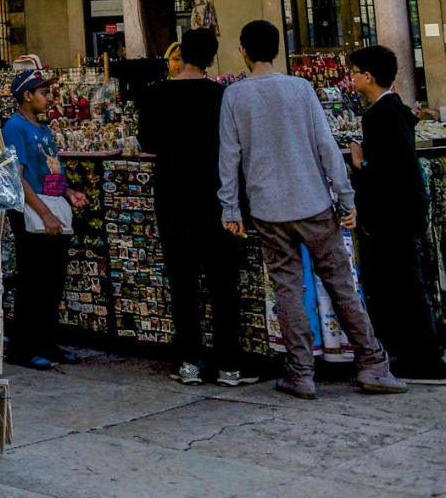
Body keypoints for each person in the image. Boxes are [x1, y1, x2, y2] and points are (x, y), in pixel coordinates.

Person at [218, 20, 405, 398]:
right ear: (277, 49)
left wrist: (230, 208)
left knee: (288, 288)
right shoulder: (300, 88)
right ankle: (372, 363)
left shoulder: (235, 96)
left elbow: (229, 155)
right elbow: (325, 147)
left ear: (243, 51)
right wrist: (347, 198)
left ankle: (301, 373)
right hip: (314, 202)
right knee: (341, 284)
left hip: (268, 209)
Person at [140, 28, 256, 386]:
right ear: (211, 58)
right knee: (224, 284)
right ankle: (229, 365)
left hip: (173, 197)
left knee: (183, 282)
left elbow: (147, 141)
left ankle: (188, 361)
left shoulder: (155, 94)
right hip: (217, 197)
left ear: (182, 54)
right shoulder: (224, 96)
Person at [346, 45, 446, 383]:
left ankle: (424, 359)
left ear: (368, 77)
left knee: (404, 287)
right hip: (404, 212)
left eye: (356, 72)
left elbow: (388, 170)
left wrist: (360, 165)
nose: (353, 78)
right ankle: (418, 354)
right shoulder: (393, 111)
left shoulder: (380, 116)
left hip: (393, 216)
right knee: (405, 285)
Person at [3, 69, 87, 370]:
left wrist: (67, 192)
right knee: (34, 282)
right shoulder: (15, 128)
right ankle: (25, 348)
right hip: (33, 213)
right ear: (27, 96)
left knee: (53, 282)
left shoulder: (43, 129)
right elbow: (18, 178)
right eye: (44, 93)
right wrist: (45, 212)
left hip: (49, 207)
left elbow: (50, 174)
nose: (50, 98)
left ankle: (47, 342)